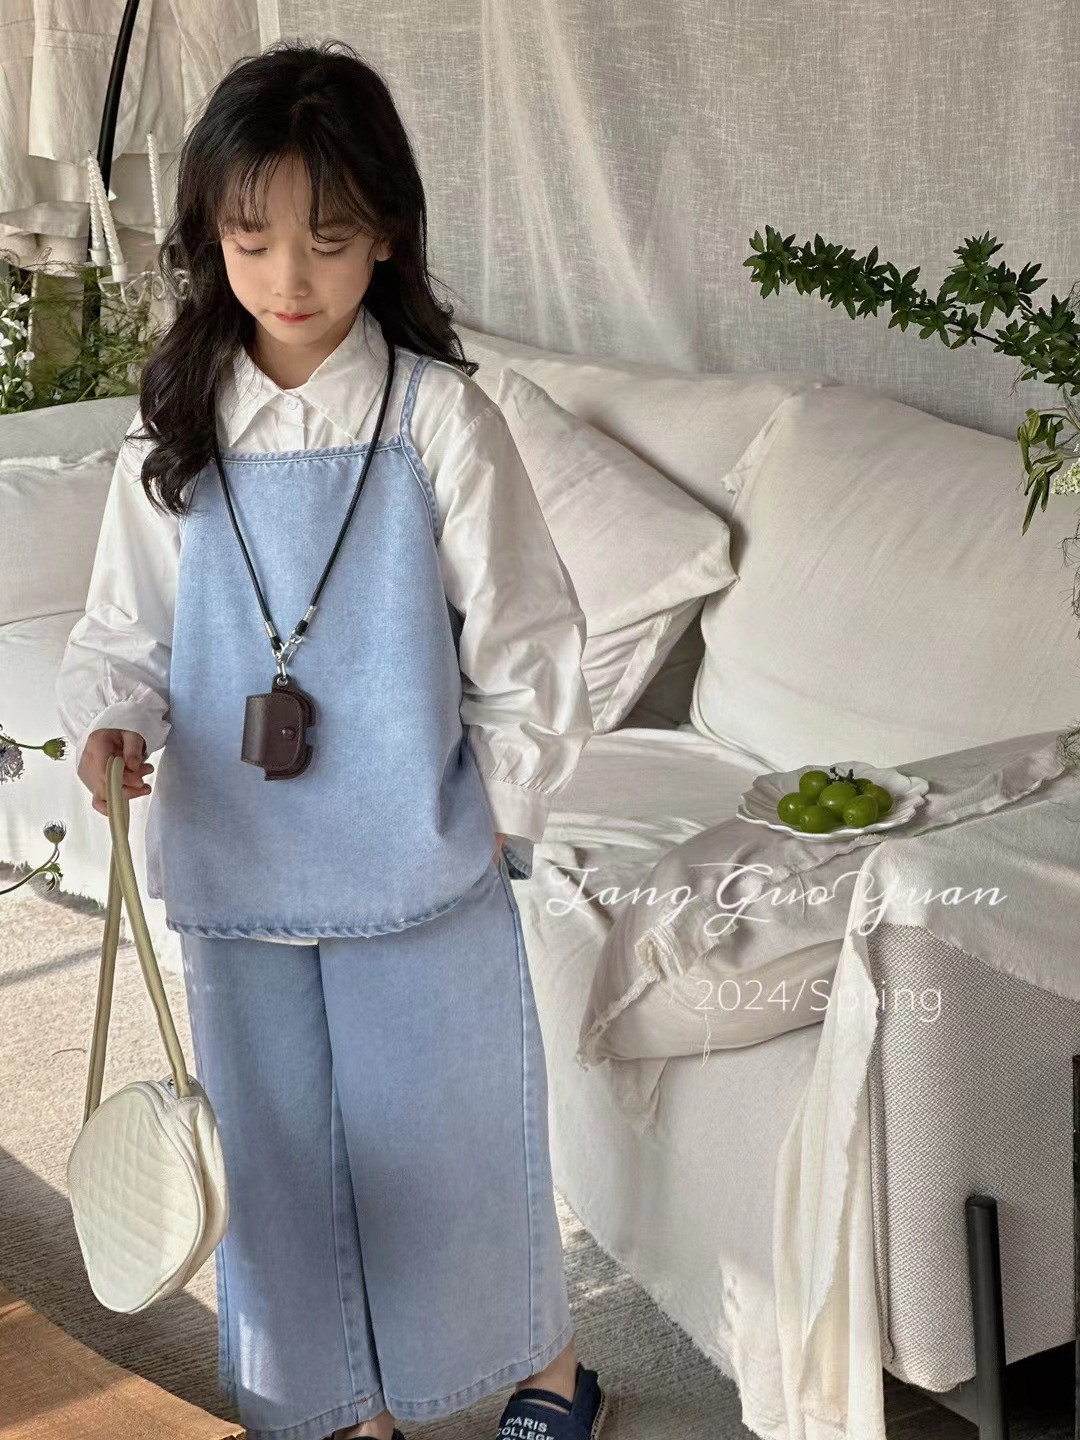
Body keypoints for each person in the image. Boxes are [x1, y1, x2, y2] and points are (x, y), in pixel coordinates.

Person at [54, 38, 607, 1440]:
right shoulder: (177, 428)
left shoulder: (440, 420)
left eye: (330, 238)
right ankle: (347, 1412)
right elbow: (125, 632)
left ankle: (548, 1372)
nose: (289, 276)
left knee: (456, 1139)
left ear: (389, 236)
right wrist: (111, 727)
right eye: (252, 240)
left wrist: (496, 817)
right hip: (238, 869)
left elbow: (529, 641)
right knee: (278, 1163)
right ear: (210, 237)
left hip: (419, 864)